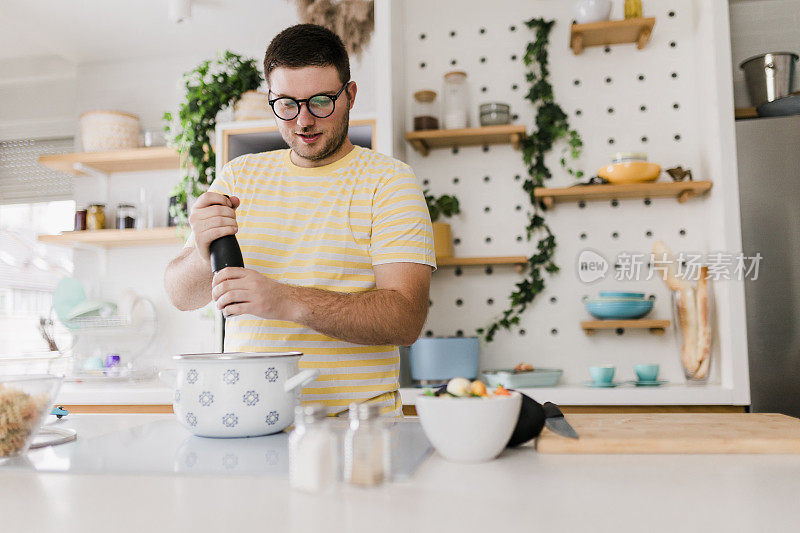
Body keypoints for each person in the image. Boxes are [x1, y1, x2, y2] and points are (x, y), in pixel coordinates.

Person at [164, 24, 435, 417]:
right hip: (248, 423)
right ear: (271, 98)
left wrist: (285, 300)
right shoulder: (239, 176)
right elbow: (181, 295)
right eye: (287, 104)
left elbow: (405, 318)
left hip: (356, 433)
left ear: (350, 95)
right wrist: (200, 249)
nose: (303, 121)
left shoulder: (388, 182)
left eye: (321, 101)